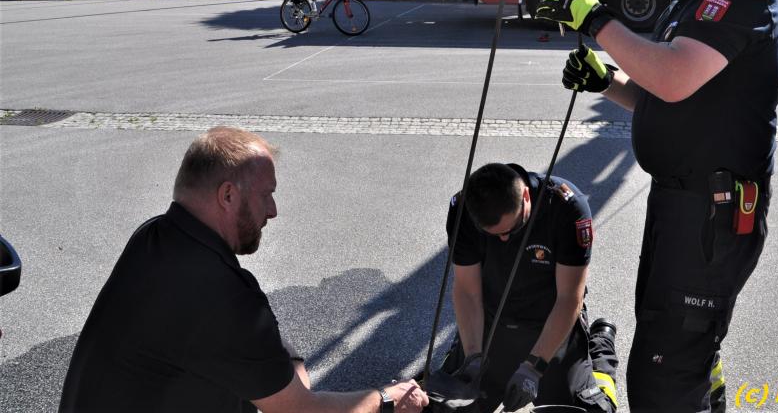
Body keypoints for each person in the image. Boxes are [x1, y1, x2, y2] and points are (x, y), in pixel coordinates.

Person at [536, 0, 778, 413]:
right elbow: (666, 93)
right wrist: (607, 81)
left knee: (663, 373)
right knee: (677, 346)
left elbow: (672, 78)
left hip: (711, 213)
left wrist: (597, 20)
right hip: (683, 206)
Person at [59, 126, 429, 413]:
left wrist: (284, 368)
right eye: (266, 194)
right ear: (228, 195)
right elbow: (300, 409)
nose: (273, 211)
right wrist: (387, 399)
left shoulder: (155, 238)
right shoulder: (220, 293)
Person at [442, 162, 619, 412]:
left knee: (593, 410)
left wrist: (534, 367)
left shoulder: (566, 208)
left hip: (552, 322)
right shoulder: (463, 210)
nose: (504, 238)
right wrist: (473, 357)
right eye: (493, 234)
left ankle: (599, 346)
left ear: (526, 196)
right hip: (492, 322)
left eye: (511, 229)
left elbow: (569, 297)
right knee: (445, 406)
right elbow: (467, 292)